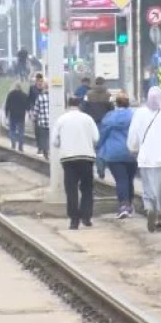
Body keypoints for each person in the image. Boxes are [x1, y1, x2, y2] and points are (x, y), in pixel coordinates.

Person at [127, 87, 161, 232]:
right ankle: (160, 217)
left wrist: (132, 148)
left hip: (145, 158)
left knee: (148, 188)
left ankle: (150, 208)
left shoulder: (139, 113)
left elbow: (133, 134)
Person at [52, 96, 99, 230]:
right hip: (86, 158)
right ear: (80, 105)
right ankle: (86, 216)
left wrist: (64, 143)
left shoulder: (61, 120)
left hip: (68, 159)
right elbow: (96, 138)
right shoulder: (88, 119)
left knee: (71, 189)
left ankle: (74, 220)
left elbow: (55, 141)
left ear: (68, 105)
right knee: (87, 188)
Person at [98, 92, 137, 218]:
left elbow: (103, 135)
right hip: (132, 152)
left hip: (114, 153)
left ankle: (123, 205)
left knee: (121, 180)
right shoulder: (134, 116)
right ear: (128, 103)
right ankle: (129, 204)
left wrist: (98, 147)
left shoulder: (109, 117)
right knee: (129, 179)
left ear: (116, 103)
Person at [4, 81, 28, 151]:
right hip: (21, 116)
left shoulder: (10, 94)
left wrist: (6, 114)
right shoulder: (24, 95)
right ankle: (20, 146)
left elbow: (7, 105)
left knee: (12, 130)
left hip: (12, 115)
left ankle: (13, 144)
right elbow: (27, 106)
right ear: (20, 87)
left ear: (15, 87)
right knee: (21, 131)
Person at [27, 74, 45, 154]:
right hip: (36, 112)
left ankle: (44, 147)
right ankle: (39, 147)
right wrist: (30, 111)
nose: (40, 83)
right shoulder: (32, 88)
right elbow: (29, 100)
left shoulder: (45, 89)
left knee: (44, 131)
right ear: (36, 81)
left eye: (41, 81)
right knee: (37, 130)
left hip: (44, 112)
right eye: (38, 81)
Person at [34, 82, 51, 159]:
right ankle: (51, 151)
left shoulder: (40, 97)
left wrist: (34, 117)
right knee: (50, 137)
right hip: (52, 122)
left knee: (44, 138)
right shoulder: (53, 97)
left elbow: (36, 110)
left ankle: (45, 153)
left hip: (42, 121)